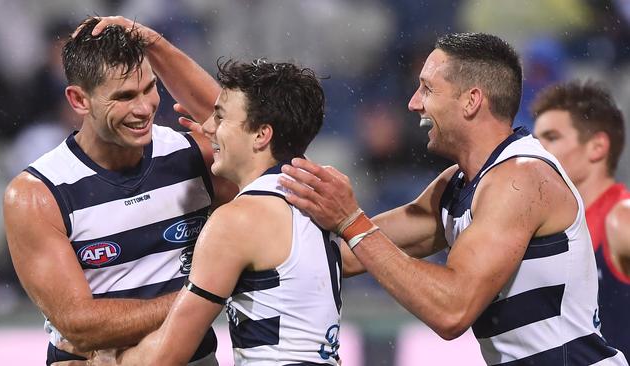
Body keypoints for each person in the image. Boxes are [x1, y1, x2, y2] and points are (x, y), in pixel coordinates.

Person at [279, 32, 628, 365]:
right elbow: (352, 254)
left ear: (472, 100)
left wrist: (349, 219)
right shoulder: (458, 185)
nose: (413, 103)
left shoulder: (520, 179)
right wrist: (258, 250)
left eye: (427, 88)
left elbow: (452, 310)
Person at [3, 16, 237, 365]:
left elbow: (240, 131)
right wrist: (205, 296)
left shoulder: (194, 156)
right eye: (125, 96)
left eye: (149, 88)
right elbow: (81, 325)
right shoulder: (37, 194)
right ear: (78, 100)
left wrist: (155, 43)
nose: (144, 109)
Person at [87, 57, 341, 365]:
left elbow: (167, 355)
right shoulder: (318, 200)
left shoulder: (239, 220)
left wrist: (107, 360)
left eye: (219, 118)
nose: (206, 128)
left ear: (262, 135)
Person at [532, 80, 630, 358]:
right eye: (536, 139)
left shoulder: (620, 219)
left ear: (597, 147)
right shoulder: (551, 226)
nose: (537, 150)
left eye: (551, 137)